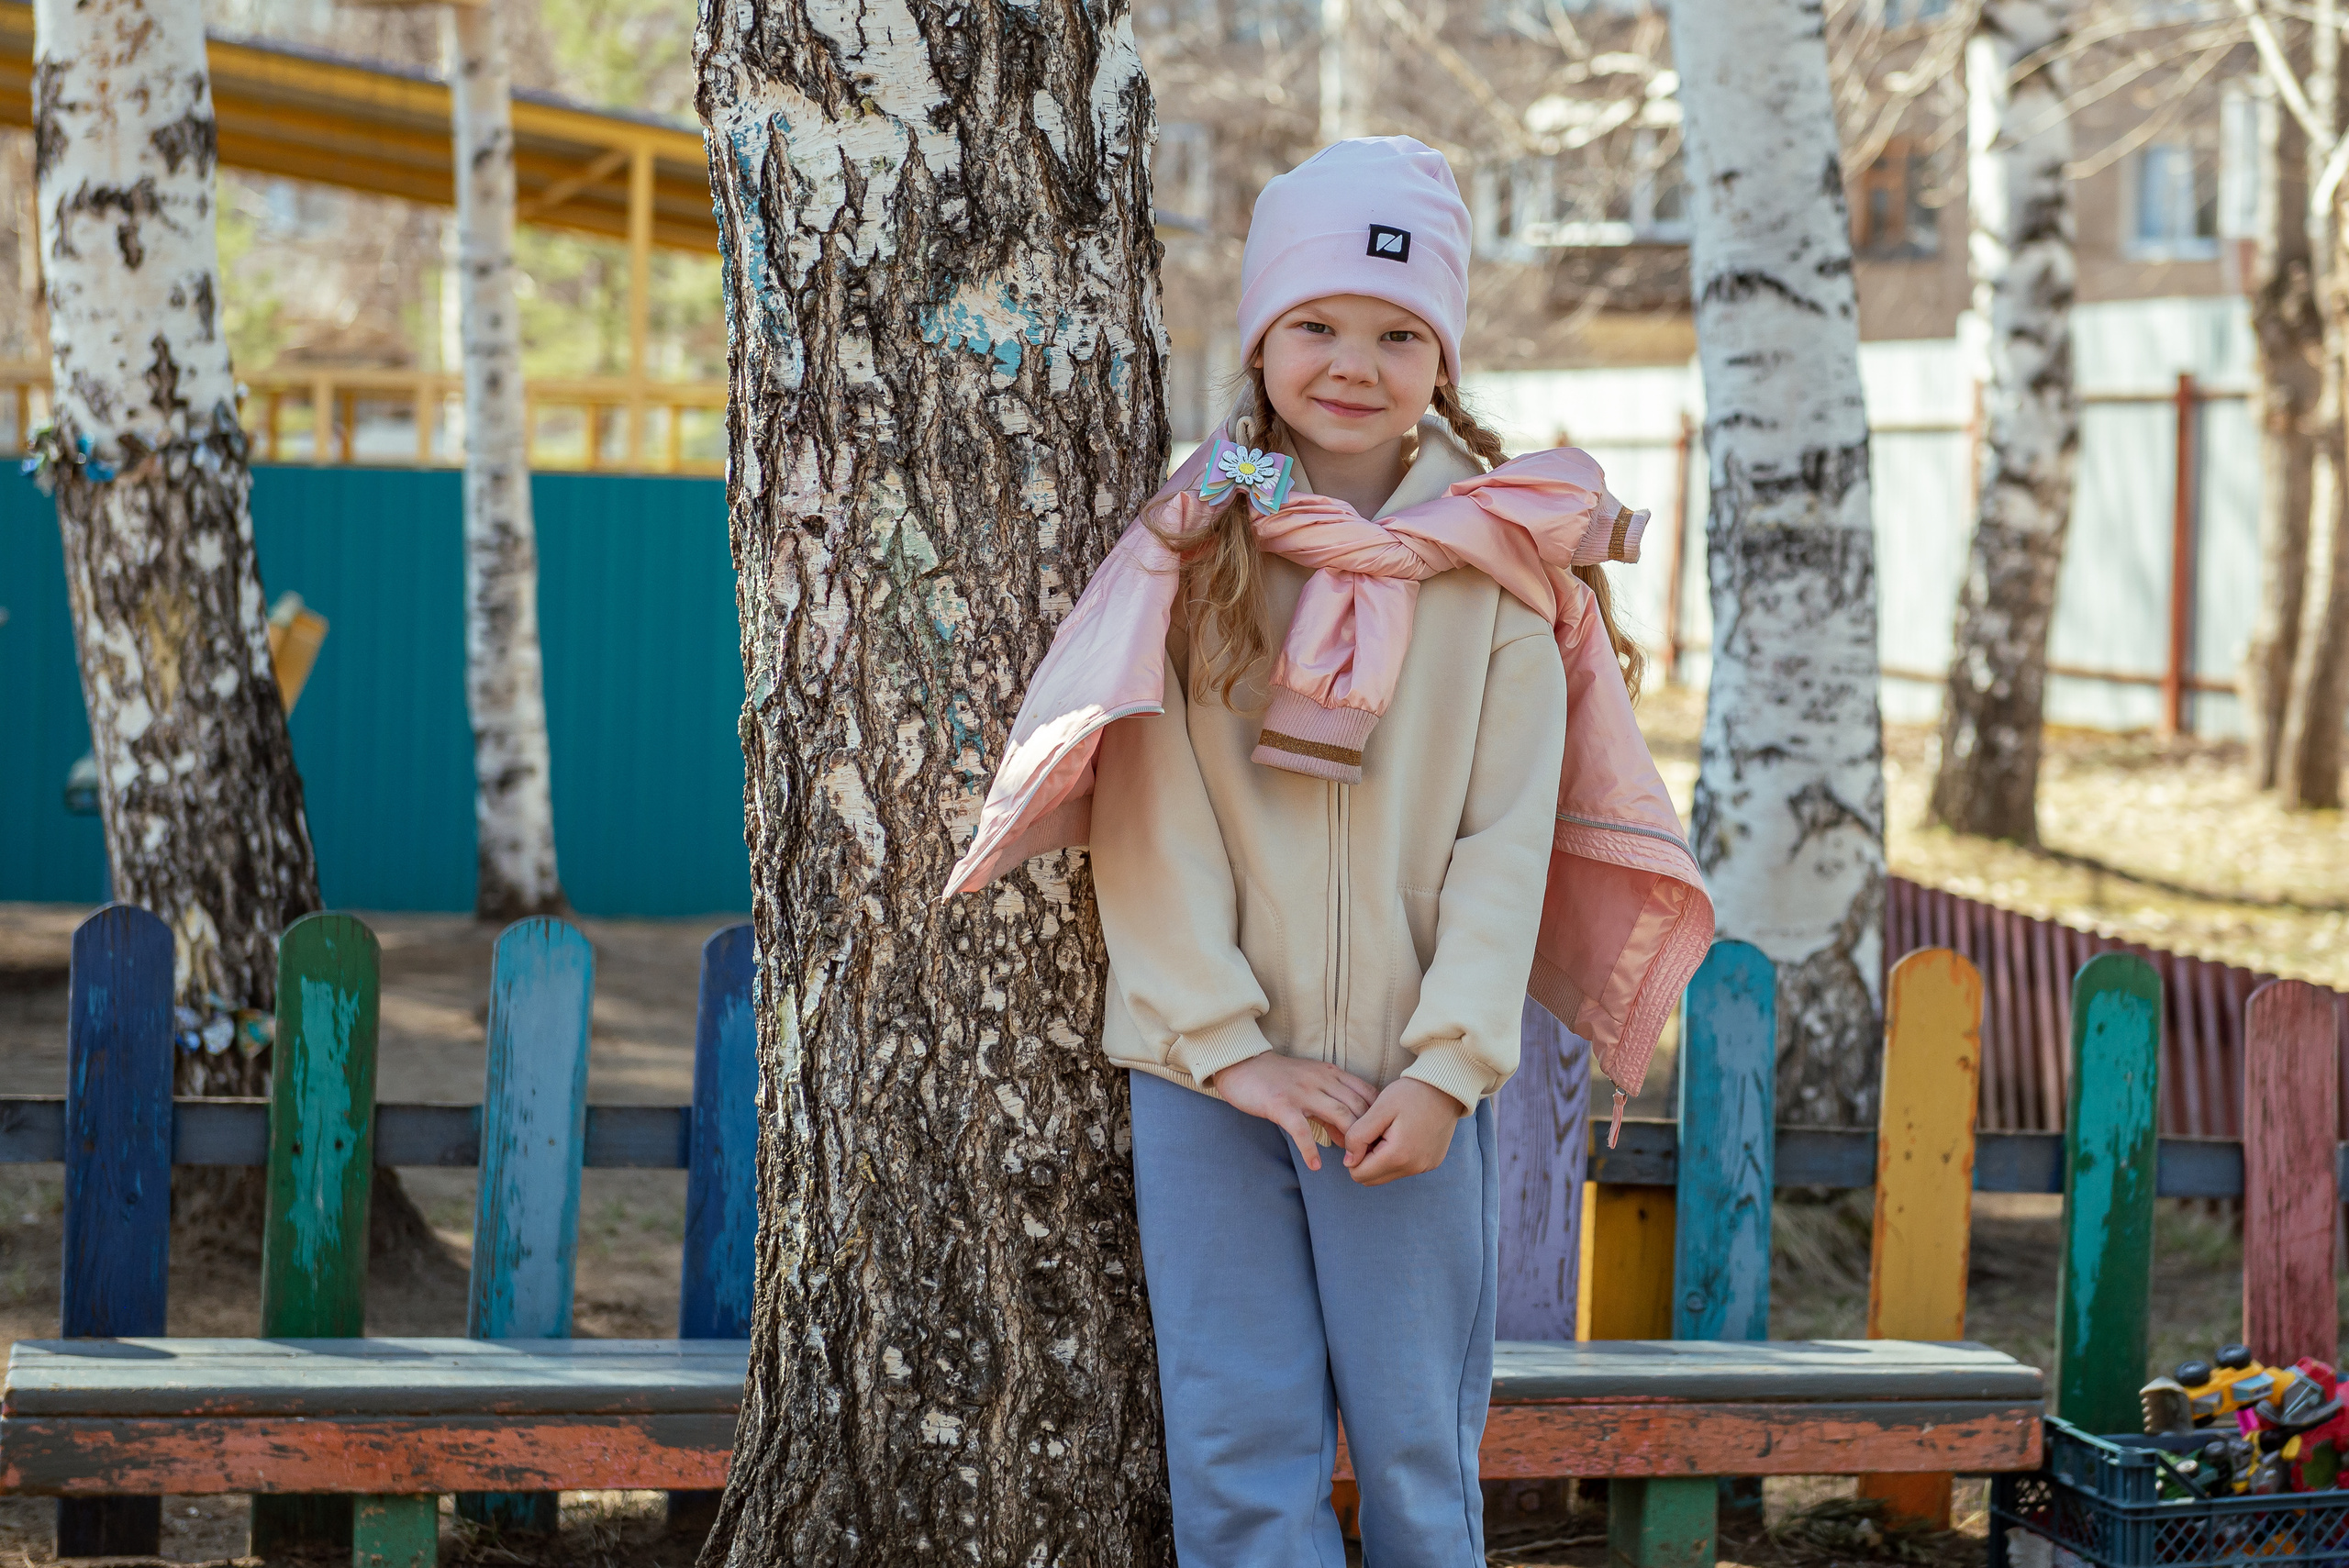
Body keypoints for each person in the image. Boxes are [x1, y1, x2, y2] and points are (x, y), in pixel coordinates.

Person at [944, 136, 1713, 1566]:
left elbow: (1506, 844)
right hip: (1208, 1085)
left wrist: (1444, 1071)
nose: (1352, 361)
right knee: (1240, 1448)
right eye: (1315, 323)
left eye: (1397, 331)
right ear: (1260, 336)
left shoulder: (1503, 582)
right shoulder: (1197, 545)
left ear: (1445, 359)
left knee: (1421, 1455)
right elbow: (1149, 816)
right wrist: (1228, 1046)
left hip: (1408, 1092)